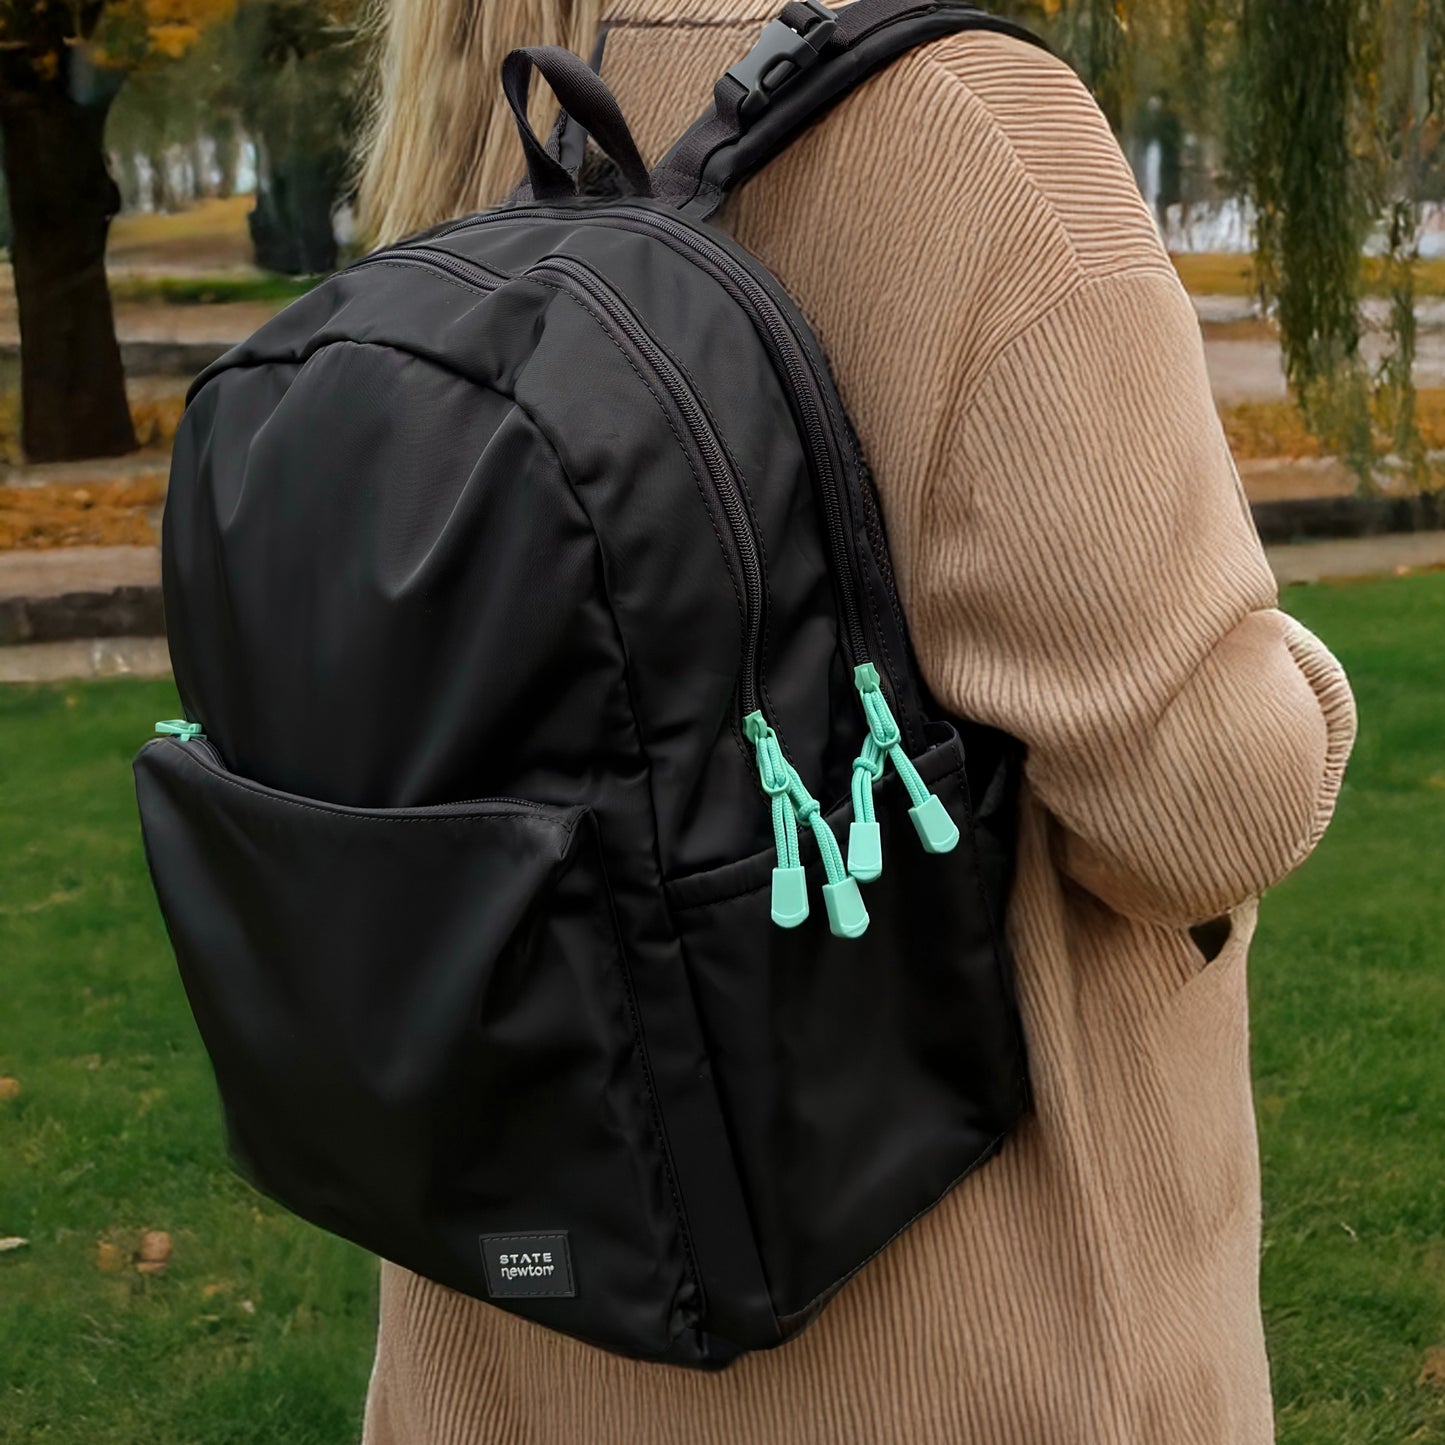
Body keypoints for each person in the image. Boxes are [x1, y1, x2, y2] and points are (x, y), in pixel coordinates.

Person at [357, 1, 1357, 1440]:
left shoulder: (481, 110)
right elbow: (1193, 809)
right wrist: (1289, 678)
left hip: (510, 1321)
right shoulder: (971, 127)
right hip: (932, 1342)